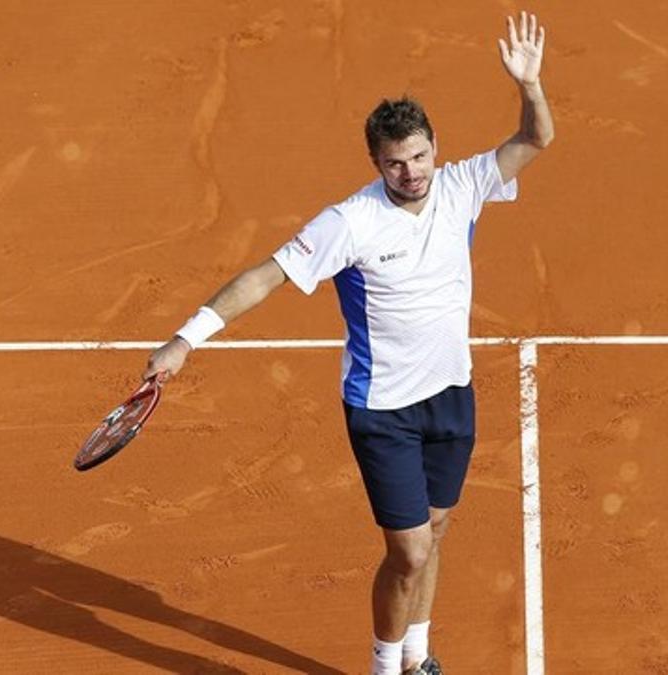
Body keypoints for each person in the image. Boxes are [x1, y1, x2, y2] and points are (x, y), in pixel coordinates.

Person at [142, 11, 553, 675]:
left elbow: (537, 137)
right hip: (383, 407)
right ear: (376, 164)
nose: (412, 171)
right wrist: (187, 338)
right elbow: (266, 275)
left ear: (434, 147)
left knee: (437, 530)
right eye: (396, 163)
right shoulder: (351, 222)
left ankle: (418, 654)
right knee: (410, 551)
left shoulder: (462, 186)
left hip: (451, 392)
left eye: (419, 155)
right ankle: (385, 665)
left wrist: (530, 85)